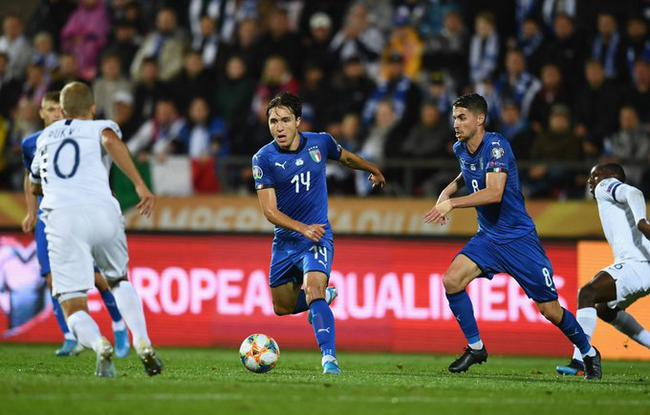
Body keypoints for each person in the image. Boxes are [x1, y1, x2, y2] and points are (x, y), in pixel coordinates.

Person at [424, 93, 601, 380]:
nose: (455, 123)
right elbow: (466, 173)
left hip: (519, 240)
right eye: (454, 117)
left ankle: (589, 352)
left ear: (480, 119)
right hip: (489, 238)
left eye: (462, 117)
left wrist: (452, 204)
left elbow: (495, 193)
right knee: (452, 280)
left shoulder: (497, 147)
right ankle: (476, 348)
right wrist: (446, 192)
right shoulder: (460, 148)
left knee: (550, 310)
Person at [29, 82, 162, 378]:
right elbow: (109, 140)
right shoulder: (100, 126)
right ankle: (143, 341)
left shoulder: (44, 137)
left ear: (62, 110)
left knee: (72, 304)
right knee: (118, 280)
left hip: (62, 219)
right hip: (102, 210)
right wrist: (139, 184)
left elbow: (35, 182)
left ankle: (100, 344)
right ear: (92, 108)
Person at [252, 93, 385, 375]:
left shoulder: (320, 143)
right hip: (286, 241)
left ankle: (329, 359)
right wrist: (302, 228)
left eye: (285, 120)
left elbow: (345, 157)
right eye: (273, 121)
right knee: (282, 307)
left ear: (298, 121)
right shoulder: (263, 159)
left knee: (313, 290)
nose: (279, 127)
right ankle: (326, 296)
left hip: (318, 236)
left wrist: (371, 168)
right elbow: (269, 212)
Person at [21, 90, 129, 358]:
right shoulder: (33, 143)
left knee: (99, 278)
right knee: (52, 279)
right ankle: (72, 337)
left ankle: (118, 326)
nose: (55, 114)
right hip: (50, 216)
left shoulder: (84, 135)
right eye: (50, 109)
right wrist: (31, 212)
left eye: (58, 109)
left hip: (80, 213)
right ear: (41, 113)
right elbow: (30, 177)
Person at [556, 164, 650, 376]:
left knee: (587, 293)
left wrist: (642, 222)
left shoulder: (604, 186)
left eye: (595, 175)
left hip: (638, 263)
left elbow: (634, 192)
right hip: (643, 266)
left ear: (611, 176)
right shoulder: (615, 201)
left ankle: (581, 360)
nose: (590, 181)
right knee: (604, 309)